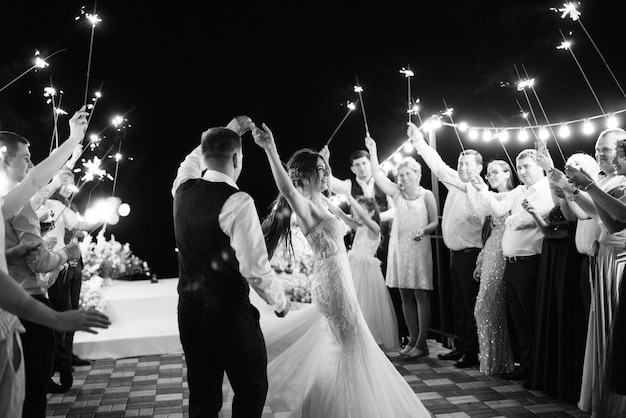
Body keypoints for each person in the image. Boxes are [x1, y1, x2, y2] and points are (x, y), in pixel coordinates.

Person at [254, 123, 431, 417]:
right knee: (349, 345)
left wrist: (325, 159)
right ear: (306, 176)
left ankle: (326, 406)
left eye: (325, 170)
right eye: (321, 171)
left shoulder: (320, 201)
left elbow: (335, 188)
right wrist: (270, 149)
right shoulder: (304, 206)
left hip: (339, 280)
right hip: (333, 284)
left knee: (346, 345)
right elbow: (286, 186)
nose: (326, 174)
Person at [171, 116, 290, 418]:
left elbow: (190, 159)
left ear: (205, 155)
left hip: (189, 311)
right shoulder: (238, 202)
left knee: (203, 394)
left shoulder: (182, 188)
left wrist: (230, 130)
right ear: (238, 158)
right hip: (228, 315)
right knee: (252, 388)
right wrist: (279, 302)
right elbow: (255, 268)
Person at [0, 108, 110, 417]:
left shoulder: (7, 203)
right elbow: (37, 182)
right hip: (21, 313)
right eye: (25, 157)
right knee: (28, 401)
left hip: (11, 313)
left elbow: (37, 182)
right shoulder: (13, 204)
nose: (31, 163)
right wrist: (64, 254)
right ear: (4, 159)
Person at [473, 149, 553, 384]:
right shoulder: (520, 191)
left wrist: (511, 218)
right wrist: (482, 190)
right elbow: (498, 211)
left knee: (532, 318)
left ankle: (540, 371)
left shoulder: (545, 190)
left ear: (539, 166)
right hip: (512, 262)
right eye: (520, 167)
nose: (523, 171)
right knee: (520, 320)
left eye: (527, 166)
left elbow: (525, 220)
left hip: (530, 261)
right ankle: (527, 367)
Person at [408, 121, 484, 368]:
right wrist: (418, 141)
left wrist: (420, 141)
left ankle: (472, 353)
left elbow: (441, 170)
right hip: (455, 255)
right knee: (460, 305)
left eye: (467, 164)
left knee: (472, 306)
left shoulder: (477, 189)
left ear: (479, 168)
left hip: (472, 255)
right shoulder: (455, 183)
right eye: (460, 163)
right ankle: (461, 347)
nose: (461, 167)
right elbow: (439, 166)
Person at [525, 152, 599, 402]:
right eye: (571, 167)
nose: (573, 171)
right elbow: (565, 211)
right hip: (564, 257)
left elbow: (578, 214)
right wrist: (554, 180)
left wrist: (557, 179)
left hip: (581, 259)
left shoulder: (592, 193)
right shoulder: (569, 192)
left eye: (578, 167)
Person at [565, 130, 626, 417]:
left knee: (615, 330)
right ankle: (601, 398)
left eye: (608, 149)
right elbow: (596, 214)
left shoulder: (621, 180)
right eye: (598, 149)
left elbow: (616, 223)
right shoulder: (606, 180)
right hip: (602, 254)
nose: (601, 154)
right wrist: (573, 190)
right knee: (601, 329)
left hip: (619, 258)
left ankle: (615, 401)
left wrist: (586, 187)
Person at [440, 160, 516, 376]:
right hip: (490, 250)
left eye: (495, 172)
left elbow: (497, 209)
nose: (491, 176)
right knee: (486, 307)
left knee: (485, 305)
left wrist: (481, 188)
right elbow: (485, 222)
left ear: (507, 173)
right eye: (489, 173)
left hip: (506, 250)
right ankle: (494, 360)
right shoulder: (488, 194)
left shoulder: (516, 193)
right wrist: (481, 259)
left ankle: (498, 359)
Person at [323, 147, 407, 343]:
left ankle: (399, 332)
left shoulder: (383, 182)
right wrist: (326, 164)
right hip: (361, 246)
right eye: (357, 165)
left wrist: (372, 220)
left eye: (364, 163)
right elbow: (331, 184)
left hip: (384, 241)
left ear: (370, 164)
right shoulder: (349, 185)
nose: (362, 168)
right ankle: (359, 332)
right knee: (358, 294)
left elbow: (394, 211)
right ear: (352, 168)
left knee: (389, 291)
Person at [366, 136, 438, 359]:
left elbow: (435, 221)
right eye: (401, 175)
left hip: (419, 247)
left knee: (421, 294)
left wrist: (424, 231)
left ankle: (422, 342)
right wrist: (373, 151)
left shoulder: (427, 195)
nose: (404, 178)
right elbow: (377, 176)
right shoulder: (396, 193)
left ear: (417, 174)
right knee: (405, 294)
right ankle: (412, 339)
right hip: (399, 247)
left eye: (409, 174)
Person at [34, 163, 102, 393]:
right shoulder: (25, 210)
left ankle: (64, 363)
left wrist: (101, 216)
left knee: (68, 315)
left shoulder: (55, 205)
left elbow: (78, 224)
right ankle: (54, 369)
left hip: (63, 268)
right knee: (51, 323)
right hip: (42, 271)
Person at [343, 194, 398, 350]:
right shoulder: (359, 227)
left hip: (367, 272)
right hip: (354, 268)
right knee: (353, 303)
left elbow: (362, 217)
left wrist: (348, 195)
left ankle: (371, 342)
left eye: (361, 211)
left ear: (372, 213)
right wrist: (324, 199)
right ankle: (355, 339)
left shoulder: (374, 228)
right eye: (355, 211)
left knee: (368, 305)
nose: (357, 214)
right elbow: (340, 214)